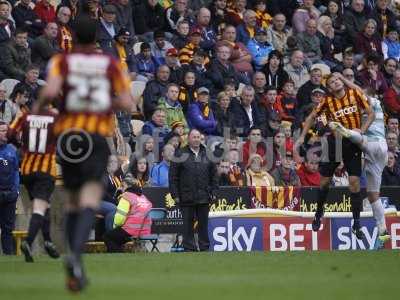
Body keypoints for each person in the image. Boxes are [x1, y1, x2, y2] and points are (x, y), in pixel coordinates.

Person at [32, 15, 132, 292]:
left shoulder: (61, 62)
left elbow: (49, 92)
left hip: (68, 138)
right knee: (89, 198)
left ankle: (72, 258)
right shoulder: (110, 64)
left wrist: (41, 109)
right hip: (94, 137)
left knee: (73, 202)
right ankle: (75, 258)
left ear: (72, 36)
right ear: (96, 37)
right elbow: (126, 102)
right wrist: (100, 101)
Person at [296, 73, 374, 239]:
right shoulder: (327, 101)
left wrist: (363, 130)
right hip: (335, 143)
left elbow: (370, 113)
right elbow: (311, 117)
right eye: (332, 82)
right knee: (324, 182)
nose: (336, 83)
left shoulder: (355, 93)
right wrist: (302, 136)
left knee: (354, 182)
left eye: (337, 80)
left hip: (353, 141)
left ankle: (356, 222)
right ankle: (319, 212)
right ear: (329, 88)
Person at [329, 93, 390, 249]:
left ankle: (347, 132)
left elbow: (362, 96)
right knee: (373, 195)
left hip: (376, 144)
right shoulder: (360, 110)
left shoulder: (374, 102)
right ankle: (383, 232)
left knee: (360, 139)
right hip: (376, 156)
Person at [7, 105, 60, 262]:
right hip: (45, 171)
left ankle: (48, 241)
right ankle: (28, 242)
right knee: (39, 208)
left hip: (27, 170)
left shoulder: (25, 115)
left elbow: (9, 134)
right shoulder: (55, 117)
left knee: (45, 206)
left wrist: (21, 146)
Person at [169, 129, 218, 251]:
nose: (196, 140)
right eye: (194, 137)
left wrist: (214, 192)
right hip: (186, 196)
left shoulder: (208, 154)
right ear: (188, 139)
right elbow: (173, 177)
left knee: (203, 225)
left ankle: (204, 247)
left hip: (204, 196)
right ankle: (189, 248)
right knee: (187, 226)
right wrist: (175, 195)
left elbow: (214, 176)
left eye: (198, 137)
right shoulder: (179, 154)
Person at [103, 175, 152, 253]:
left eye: (122, 186)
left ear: (128, 186)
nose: (120, 188)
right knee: (117, 238)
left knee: (107, 236)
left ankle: (117, 256)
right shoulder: (142, 197)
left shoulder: (126, 196)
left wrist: (114, 227)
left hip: (132, 229)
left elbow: (120, 218)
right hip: (145, 230)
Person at [0, 120, 19, 255]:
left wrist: (16, 190)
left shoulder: (12, 151)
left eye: (6, 130)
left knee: (8, 228)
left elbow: (16, 171)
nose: (5, 133)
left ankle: (9, 255)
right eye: (2, 131)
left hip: (9, 195)